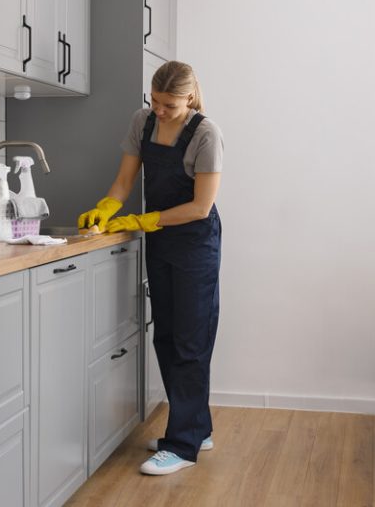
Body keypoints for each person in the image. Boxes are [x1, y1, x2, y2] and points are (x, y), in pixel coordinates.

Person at [78, 60, 223, 476]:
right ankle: (197, 427)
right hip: (161, 242)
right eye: (155, 101)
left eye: (170, 106)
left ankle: (181, 445)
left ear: (189, 98)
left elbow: (200, 207)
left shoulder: (206, 134)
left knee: (191, 343)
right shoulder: (142, 121)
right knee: (167, 337)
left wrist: (143, 220)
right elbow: (125, 182)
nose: (159, 111)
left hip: (195, 244)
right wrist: (108, 208)